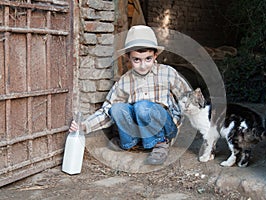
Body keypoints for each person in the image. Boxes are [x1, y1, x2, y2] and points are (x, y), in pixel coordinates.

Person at [69, 25, 193, 165]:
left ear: (155, 55)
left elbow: (188, 96)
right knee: (115, 108)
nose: (143, 65)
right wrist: (84, 125)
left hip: (165, 127)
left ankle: (160, 143)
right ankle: (131, 142)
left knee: (142, 107)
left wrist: (190, 125)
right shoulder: (124, 81)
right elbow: (106, 111)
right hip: (140, 128)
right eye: (136, 60)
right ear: (128, 57)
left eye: (148, 59)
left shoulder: (168, 72)